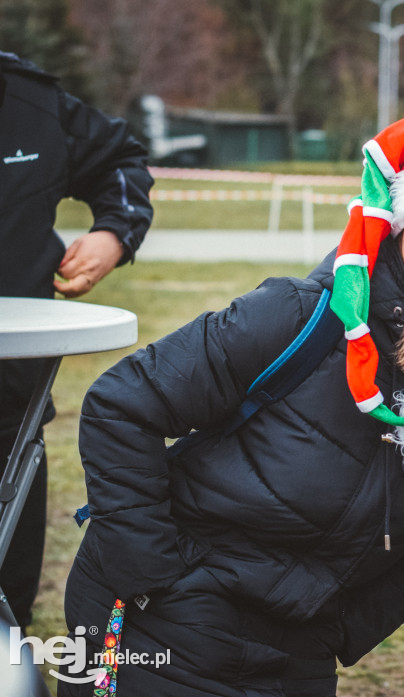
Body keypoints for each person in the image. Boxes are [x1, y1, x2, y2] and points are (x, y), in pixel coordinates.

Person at [59, 94, 404, 696]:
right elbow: (121, 404)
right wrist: (153, 576)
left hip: (298, 652)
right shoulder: (300, 316)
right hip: (159, 626)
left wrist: (344, 630)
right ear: (401, 231)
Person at [0, 50, 154, 629]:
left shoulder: (31, 100)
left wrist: (114, 233)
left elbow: (120, 160)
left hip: (11, 410)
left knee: (8, 607)